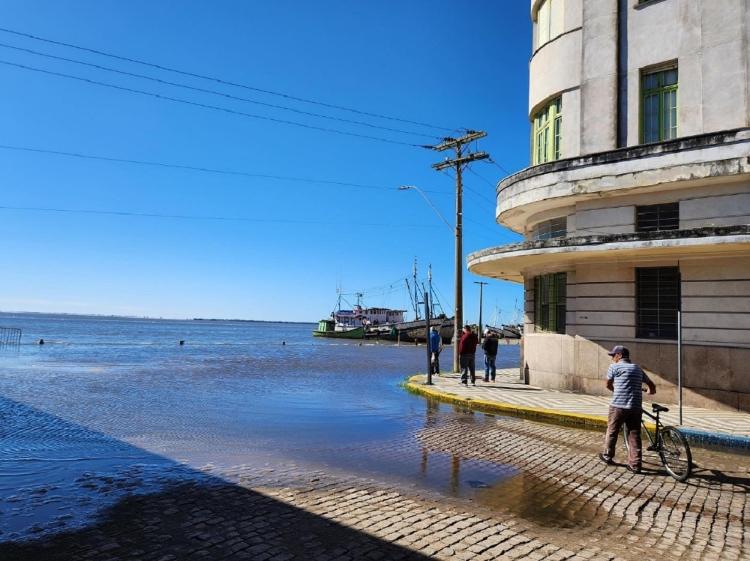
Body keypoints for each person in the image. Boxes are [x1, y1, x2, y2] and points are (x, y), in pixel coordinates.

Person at [599, 345, 656, 473]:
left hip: (618, 406)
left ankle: (607, 456)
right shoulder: (637, 368)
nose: (613, 358)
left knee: (612, 430)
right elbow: (652, 385)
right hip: (635, 407)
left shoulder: (614, 367)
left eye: (614, 355)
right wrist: (650, 391)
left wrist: (616, 390)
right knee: (634, 434)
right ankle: (635, 465)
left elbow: (607, 384)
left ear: (619, 355)